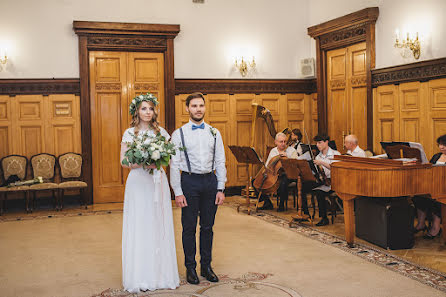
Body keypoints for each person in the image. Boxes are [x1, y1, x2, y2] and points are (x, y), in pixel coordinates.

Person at [120, 94, 179, 293]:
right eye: (143, 108)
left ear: (154, 111)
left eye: (150, 109)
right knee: (140, 223)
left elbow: (170, 158)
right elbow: (123, 161)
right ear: (136, 111)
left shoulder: (161, 132)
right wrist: (145, 162)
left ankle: (161, 274)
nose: (147, 112)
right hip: (138, 182)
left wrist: (159, 161)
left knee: (157, 222)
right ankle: (140, 275)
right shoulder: (130, 133)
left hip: (157, 182)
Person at [170, 92, 226, 285]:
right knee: (189, 227)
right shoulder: (179, 134)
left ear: (205, 107)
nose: (198, 109)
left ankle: (207, 266)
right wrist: (177, 191)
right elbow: (174, 164)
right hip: (189, 182)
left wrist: (221, 188)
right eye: (194, 106)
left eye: (201, 105)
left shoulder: (214, 132)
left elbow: (220, 161)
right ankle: (190, 267)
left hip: (210, 182)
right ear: (187, 108)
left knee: (208, 227)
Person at [412, 134, 446, 239]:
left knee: (435, 198)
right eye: (440, 144)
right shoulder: (436, 156)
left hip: (444, 188)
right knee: (418, 196)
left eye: (444, 144)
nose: (441, 147)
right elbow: (429, 169)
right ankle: (421, 224)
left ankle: (436, 227)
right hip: (434, 184)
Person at [258, 133, 297, 212]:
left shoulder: (292, 150)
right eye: (281, 142)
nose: (283, 144)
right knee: (256, 182)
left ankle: (282, 204)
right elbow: (268, 164)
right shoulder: (273, 151)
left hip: (288, 174)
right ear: (275, 142)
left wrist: (287, 157)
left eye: (285, 141)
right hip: (274, 173)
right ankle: (267, 202)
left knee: (282, 182)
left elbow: (296, 164)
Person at [312, 134, 341, 226]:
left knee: (319, 193)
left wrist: (322, 163)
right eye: (316, 143)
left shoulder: (336, 154)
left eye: (319, 142)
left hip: (335, 182)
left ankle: (324, 218)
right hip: (324, 181)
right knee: (307, 187)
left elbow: (336, 169)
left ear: (326, 142)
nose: (317, 145)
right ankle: (306, 214)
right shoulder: (318, 156)